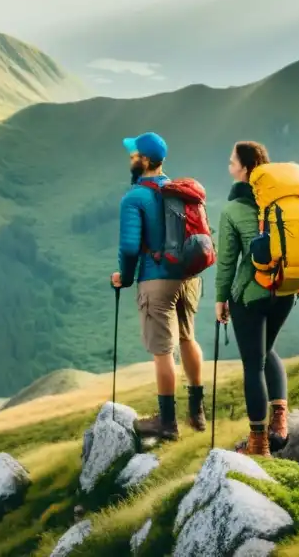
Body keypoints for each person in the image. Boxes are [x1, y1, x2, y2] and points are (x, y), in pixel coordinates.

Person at [111, 131, 206, 440]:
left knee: (163, 351)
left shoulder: (135, 197)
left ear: (146, 160)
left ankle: (167, 423)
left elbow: (128, 248)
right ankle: (197, 412)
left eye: (134, 155)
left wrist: (124, 278)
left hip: (157, 281)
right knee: (188, 338)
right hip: (189, 278)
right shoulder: (178, 191)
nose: (130, 159)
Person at [215, 141, 294, 458]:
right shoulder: (283, 201)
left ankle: (259, 443)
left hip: (251, 295)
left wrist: (221, 299)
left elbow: (226, 263)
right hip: (286, 291)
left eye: (233, 161)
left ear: (245, 168)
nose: (229, 165)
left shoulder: (233, 209)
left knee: (253, 365)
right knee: (267, 349)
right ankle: (280, 420)